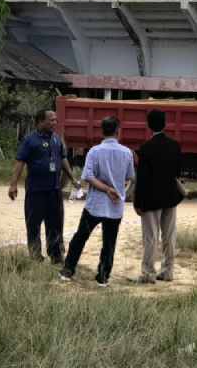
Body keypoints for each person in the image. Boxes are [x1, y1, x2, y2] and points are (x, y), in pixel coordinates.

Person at [60, 117, 136, 287]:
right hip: (115, 206)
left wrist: (106, 189)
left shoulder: (95, 151)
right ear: (118, 131)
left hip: (95, 205)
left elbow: (88, 176)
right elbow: (130, 177)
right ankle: (103, 276)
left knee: (80, 237)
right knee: (109, 242)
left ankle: (68, 270)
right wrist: (119, 190)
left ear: (102, 131)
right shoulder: (127, 153)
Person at [9, 109, 80, 264]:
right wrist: (13, 184)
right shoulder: (30, 140)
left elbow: (63, 159)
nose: (55, 123)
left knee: (55, 223)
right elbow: (20, 162)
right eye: (51, 120)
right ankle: (35, 256)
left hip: (54, 190)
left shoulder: (57, 139)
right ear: (40, 121)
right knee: (33, 224)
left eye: (55, 120)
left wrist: (72, 178)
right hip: (36, 191)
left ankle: (56, 255)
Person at [134, 109, 182, 284]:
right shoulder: (175, 145)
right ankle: (168, 271)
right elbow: (178, 172)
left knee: (151, 237)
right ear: (165, 124)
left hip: (151, 198)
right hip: (170, 196)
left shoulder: (145, 148)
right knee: (169, 235)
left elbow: (142, 179)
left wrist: (137, 202)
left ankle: (148, 273)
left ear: (148, 125)